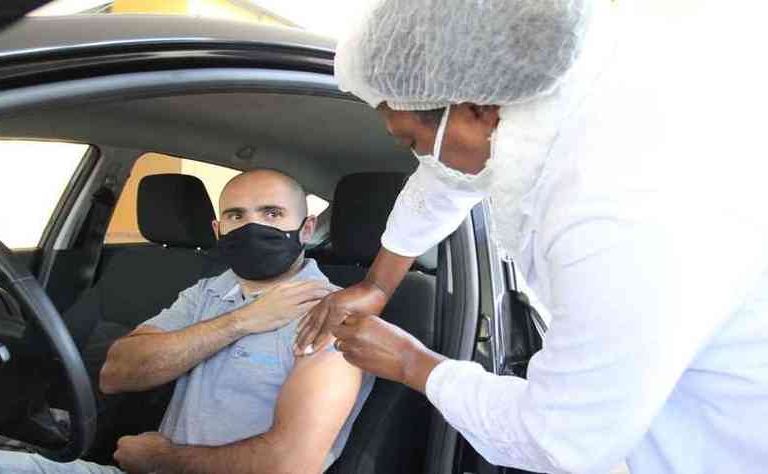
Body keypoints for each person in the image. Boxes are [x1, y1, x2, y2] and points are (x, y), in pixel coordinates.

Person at [295, 1, 768, 473]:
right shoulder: (541, 115)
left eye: (410, 141)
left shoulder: (616, 207)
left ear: (477, 108)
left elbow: (561, 439)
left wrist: (408, 361)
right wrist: (377, 285)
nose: (422, 158)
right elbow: (444, 180)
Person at [0, 169, 374, 474]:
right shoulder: (209, 293)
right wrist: (242, 321)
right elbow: (117, 373)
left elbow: (289, 464)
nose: (254, 227)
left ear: (305, 229)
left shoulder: (335, 316)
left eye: (272, 213)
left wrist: (164, 459)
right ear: (219, 231)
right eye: (237, 215)